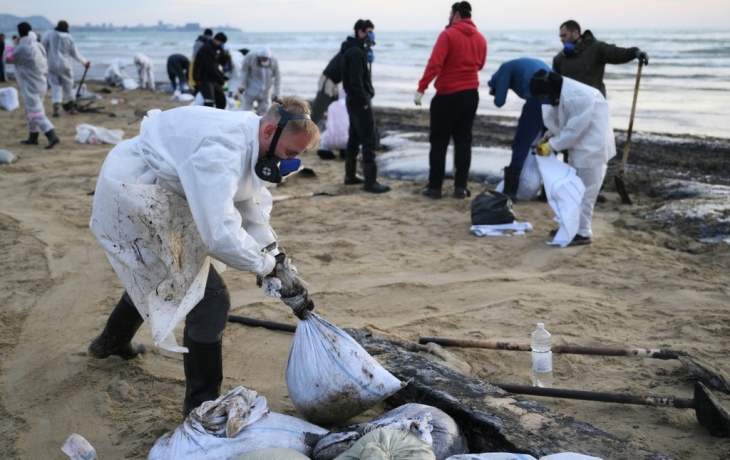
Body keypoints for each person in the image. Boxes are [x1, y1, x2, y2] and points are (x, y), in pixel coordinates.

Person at [87, 95, 320, 417]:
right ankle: (200, 405)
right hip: (138, 192)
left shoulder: (254, 141)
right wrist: (263, 267)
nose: (292, 161)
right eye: (291, 153)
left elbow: (246, 205)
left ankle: (109, 345)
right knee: (210, 300)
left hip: (168, 194)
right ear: (269, 131)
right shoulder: (222, 150)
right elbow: (219, 231)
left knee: (165, 275)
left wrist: (278, 258)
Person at [529, 69, 616, 246]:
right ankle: (569, 225)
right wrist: (547, 138)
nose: (545, 98)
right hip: (580, 148)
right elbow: (559, 120)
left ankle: (582, 232)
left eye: (544, 95)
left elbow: (574, 130)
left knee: (585, 193)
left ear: (549, 88)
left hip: (592, 149)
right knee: (571, 191)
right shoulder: (561, 92)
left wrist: (551, 146)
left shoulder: (579, 96)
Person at [415, 2, 487, 199]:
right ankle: (460, 188)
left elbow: (435, 63)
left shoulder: (447, 35)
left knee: (439, 141)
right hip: (471, 93)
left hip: (447, 94)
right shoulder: (480, 38)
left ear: (456, 14)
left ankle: (435, 188)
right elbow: (479, 64)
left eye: (450, 13)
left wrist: (422, 88)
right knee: (463, 141)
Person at [487, 58, 551, 201]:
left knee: (521, 143)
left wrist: (497, 92)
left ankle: (511, 192)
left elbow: (499, 101)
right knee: (548, 143)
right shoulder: (523, 64)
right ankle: (547, 194)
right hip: (554, 97)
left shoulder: (505, 67)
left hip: (538, 98)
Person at [341, 19, 389, 193]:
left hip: (353, 99)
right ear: (359, 32)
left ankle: (350, 175)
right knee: (368, 138)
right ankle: (370, 182)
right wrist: (364, 101)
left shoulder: (355, 49)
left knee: (354, 136)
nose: (371, 35)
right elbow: (355, 81)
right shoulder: (355, 52)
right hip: (358, 100)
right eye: (368, 31)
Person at [553, 20, 649, 98]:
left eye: (564, 35)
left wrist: (635, 53)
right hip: (571, 106)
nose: (562, 39)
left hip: (595, 103)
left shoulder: (596, 48)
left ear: (576, 33)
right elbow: (555, 85)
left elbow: (617, 54)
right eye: (560, 36)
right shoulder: (559, 59)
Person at [5, 22, 59, 149]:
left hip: (30, 83)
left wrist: (11, 46)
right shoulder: (37, 45)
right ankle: (33, 136)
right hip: (41, 81)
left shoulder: (21, 48)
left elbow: (7, 59)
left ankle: (51, 135)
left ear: (19, 32)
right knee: (30, 109)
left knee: (35, 111)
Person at [41, 21, 90, 117]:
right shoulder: (69, 38)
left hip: (52, 65)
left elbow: (42, 49)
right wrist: (84, 62)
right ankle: (71, 108)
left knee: (55, 86)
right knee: (68, 87)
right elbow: (75, 54)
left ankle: (56, 109)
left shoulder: (49, 34)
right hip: (66, 65)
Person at [241, 47, 282, 115]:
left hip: (266, 92)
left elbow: (278, 77)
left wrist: (277, 93)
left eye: (266, 59)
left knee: (265, 112)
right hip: (251, 89)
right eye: (262, 58)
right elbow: (244, 72)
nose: (264, 60)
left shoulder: (274, 60)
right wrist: (242, 85)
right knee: (245, 110)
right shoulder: (251, 57)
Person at [193, 32, 228, 109]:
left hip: (211, 78)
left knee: (221, 99)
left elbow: (218, 64)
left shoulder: (214, 49)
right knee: (209, 101)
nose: (221, 45)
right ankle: (207, 119)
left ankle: (219, 117)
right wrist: (221, 81)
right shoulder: (207, 49)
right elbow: (211, 68)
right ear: (216, 40)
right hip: (203, 78)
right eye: (221, 43)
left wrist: (222, 52)